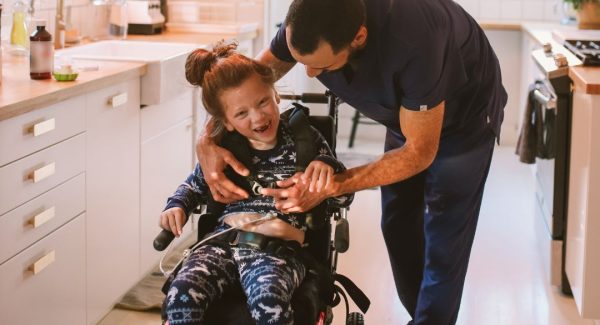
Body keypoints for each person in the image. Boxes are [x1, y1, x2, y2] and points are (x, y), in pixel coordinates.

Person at [195, 0, 508, 324]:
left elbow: (418, 153)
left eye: (321, 66)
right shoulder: (308, 16)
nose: (309, 73)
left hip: (464, 120)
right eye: (299, 59)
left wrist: (329, 185)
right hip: (409, 116)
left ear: (358, 38)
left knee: (442, 240)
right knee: (397, 224)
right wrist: (208, 138)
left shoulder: (415, 40)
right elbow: (240, 87)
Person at [160, 42, 353, 325]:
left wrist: (324, 174)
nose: (258, 116)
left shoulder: (306, 140)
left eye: (263, 101)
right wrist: (176, 206)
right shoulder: (225, 150)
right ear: (225, 122)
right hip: (221, 244)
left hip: (277, 252)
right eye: (241, 113)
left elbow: (342, 195)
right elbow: (194, 185)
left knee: (269, 303)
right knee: (181, 295)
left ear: (275, 95)